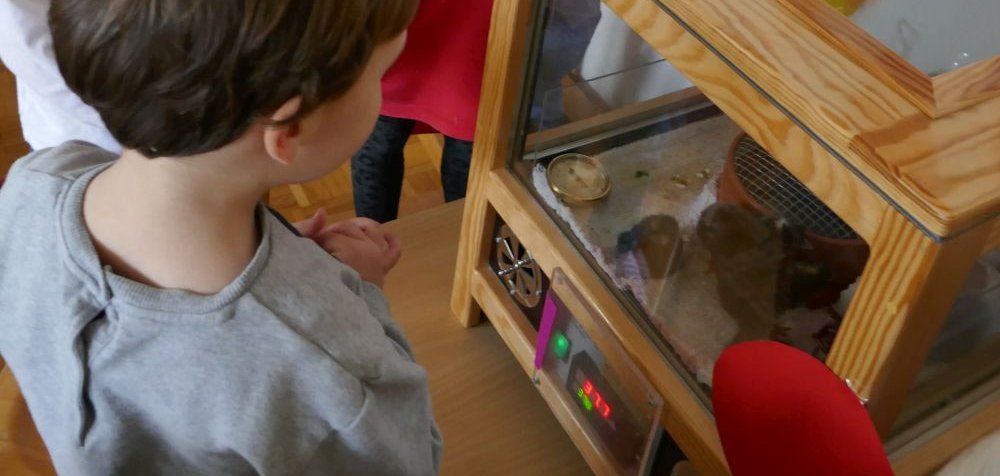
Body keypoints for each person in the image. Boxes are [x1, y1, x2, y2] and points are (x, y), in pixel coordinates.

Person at [0, 1, 442, 474]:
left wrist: (292, 262)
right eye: (380, 75)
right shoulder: (331, 370)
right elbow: (413, 458)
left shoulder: (33, 182)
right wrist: (361, 297)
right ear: (289, 127)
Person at [350, 0, 493, 223]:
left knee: (467, 145)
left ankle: (465, 239)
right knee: (377, 144)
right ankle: (370, 237)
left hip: (471, 33)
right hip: (396, 30)